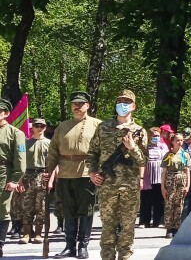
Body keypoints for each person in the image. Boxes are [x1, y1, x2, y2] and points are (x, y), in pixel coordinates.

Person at [87, 90, 148, 260]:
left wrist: (132, 148)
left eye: (127, 102)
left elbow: (143, 161)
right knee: (107, 226)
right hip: (107, 185)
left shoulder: (139, 131)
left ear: (133, 106)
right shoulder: (103, 127)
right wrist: (92, 172)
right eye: (120, 101)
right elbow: (92, 153)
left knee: (128, 227)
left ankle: (125, 257)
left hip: (129, 187)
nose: (123, 105)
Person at [46, 91, 102, 259]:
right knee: (68, 211)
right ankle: (69, 246)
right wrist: (49, 172)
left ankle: (82, 246)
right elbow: (53, 151)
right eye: (74, 104)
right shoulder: (62, 126)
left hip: (87, 174)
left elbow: (103, 151)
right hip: (65, 174)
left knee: (86, 211)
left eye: (80, 104)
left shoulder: (98, 125)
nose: (77, 107)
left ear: (87, 105)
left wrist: (99, 171)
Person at [0, 98, 26, 256]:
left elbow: (20, 159)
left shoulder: (15, 133)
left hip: (4, 173)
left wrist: (15, 179)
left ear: (6, 113)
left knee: (2, 209)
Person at [18, 118, 50, 244]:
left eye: (42, 126)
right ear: (32, 127)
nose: (39, 128)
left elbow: (54, 163)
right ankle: (26, 233)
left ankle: (38, 233)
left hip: (42, 176)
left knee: (41, 207)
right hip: (27, 176)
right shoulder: (25, 144)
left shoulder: (49, 143)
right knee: (26, 206)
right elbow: (19, 163)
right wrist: (19, 180)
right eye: (37, 125)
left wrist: (51, 178)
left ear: (45, 128)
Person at [161, 133, 191, 238]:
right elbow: (164, 172)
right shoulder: (168, 155)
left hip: (181, 180)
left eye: (181, 140)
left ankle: (177, 227)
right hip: (170, 180)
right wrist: (162, 187)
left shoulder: (185, 154)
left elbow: (187, 171)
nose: (180, 142)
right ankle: (169, 227)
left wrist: (187, 185)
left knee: (179, 204)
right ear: (173, 141)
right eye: (177, 140)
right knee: (169, 204)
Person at [139, 127, 167, 229]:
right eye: (154, 136)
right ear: (150, 136)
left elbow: (166, 161)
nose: (156, 138)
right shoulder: (145, 147)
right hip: (147, 177)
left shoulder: (163, 147)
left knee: (159, 200)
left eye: (158, 136)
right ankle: (144, 221)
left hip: (159, 176)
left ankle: (158, 221)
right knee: (146, 199)